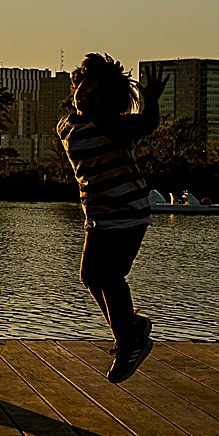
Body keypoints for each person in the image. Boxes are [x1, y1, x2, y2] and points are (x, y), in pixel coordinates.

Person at [57, 54, 167, 384]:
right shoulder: (67, 125)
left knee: (110, 274)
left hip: (128, 212)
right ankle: (130, 327)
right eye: (85, 85)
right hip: (100, 214)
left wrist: (150, 100)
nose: (88, 93)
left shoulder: (109, 125)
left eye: (98, 91)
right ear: (75, 84)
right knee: (90, 275)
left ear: (110, 102)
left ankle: (129, 341)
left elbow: (145, 125)